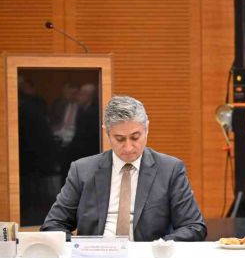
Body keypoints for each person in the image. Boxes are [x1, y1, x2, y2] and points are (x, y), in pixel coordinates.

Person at [41, 95, 207, 241]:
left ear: (147, 129)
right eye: (120, 139)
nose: (128, 147)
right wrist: (80, 247)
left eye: (135, 137)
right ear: (107, 133)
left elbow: (193, 227)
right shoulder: (82, 170)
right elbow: (53, 225)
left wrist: (159, 247)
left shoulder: (170, 170)